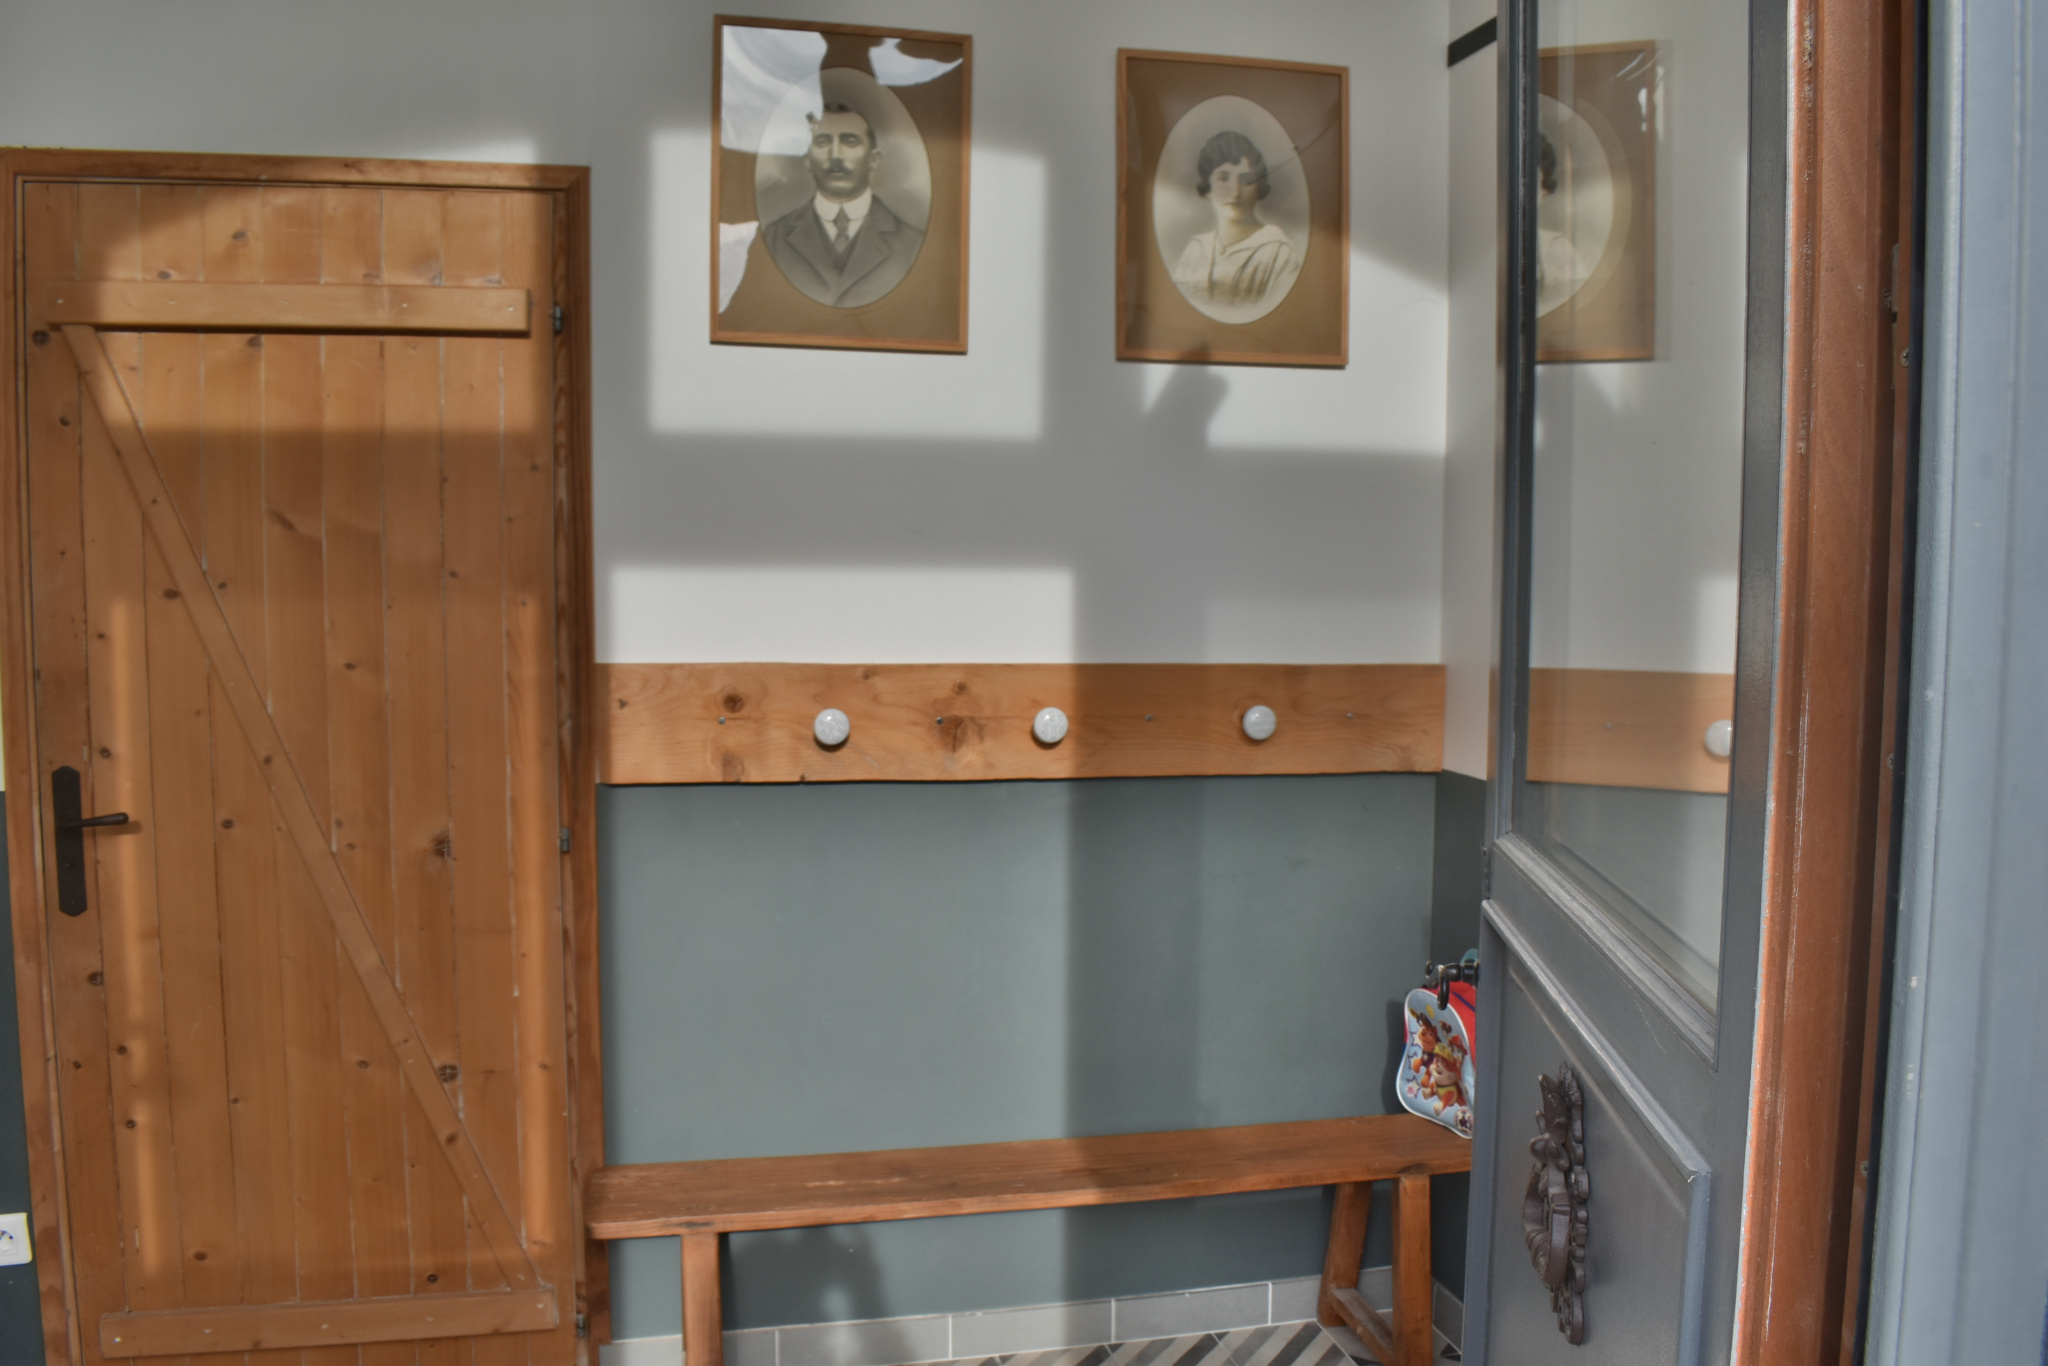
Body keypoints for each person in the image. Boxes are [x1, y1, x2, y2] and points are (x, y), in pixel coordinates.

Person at [761, 101, 925, 309]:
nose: (836, 155)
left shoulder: (912, 245)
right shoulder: (774, 239)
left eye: (850, 142)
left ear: (874, 159)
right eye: (822, 142)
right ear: (807, 160)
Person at [1171, 130, 1298, 314]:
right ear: (1208, 187)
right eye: (1223, 178)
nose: (1235, 191)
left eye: (1246, 180)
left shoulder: (1278, 252)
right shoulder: (1195, 249)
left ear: (1258, 186)